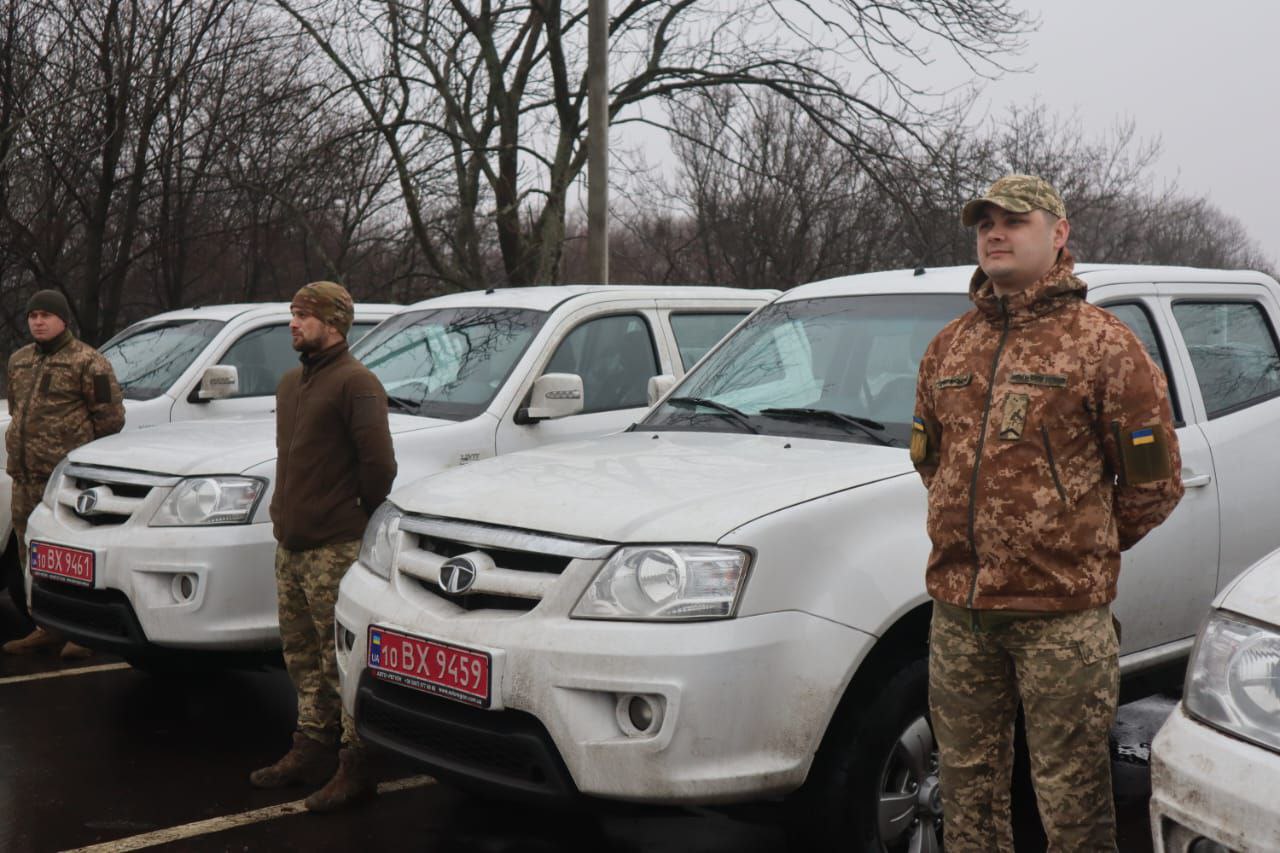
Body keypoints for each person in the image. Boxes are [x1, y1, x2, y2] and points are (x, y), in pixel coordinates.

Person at [910, 175, 1184, 851]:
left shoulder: (1103, 345)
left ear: (1059, 234)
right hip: (962, 615)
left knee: (1074, 802)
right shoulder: (950, 346)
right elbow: (931, 459)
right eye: (984, 224)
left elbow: (1155, 482)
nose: (995, 234)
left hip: (1060, 619)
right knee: (967, 798)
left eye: (1014, 220)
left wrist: (1075, 542)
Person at [249, 281, 396, 813]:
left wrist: (354, 518)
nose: (293, 322)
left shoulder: (357, 383)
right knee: (302, 655)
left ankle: (358, 766)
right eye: (292, 312)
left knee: (342, 660)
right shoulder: (291, 384)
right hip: (291, 545)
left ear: (333, 323)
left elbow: (379, 465)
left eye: (303, 315)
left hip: (334, 546)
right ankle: (310, 749)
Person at [3, 290, 125, 659]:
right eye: (33, 315)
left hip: (64, 483)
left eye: (46, 315)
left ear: (63, 320)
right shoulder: (19, 361)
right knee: (31, 555)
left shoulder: (89, 362)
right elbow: (17, 410)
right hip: (25, 478)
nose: (38, 321)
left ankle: (82, 631)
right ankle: (45, 627)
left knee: (71, 557)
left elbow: (111, 419)